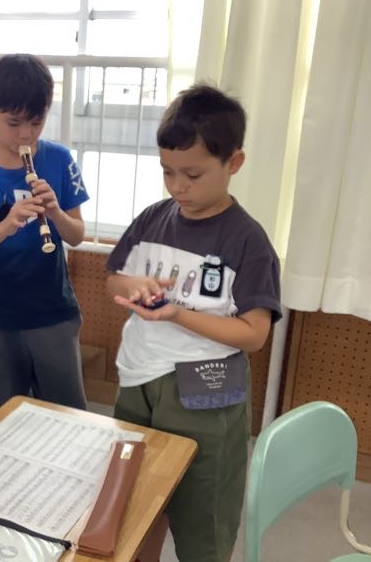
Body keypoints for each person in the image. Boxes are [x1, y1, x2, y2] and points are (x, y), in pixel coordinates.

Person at [105, 84, 281, 562]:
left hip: (204, 390)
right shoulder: (153, 218)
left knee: (203, 509)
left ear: (233, 163)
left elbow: (254, 334)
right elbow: (112, 280)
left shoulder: (247, 240)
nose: (178, 186)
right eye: (167, 171)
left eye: (193, 174)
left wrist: (180, 314)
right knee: (132, 499)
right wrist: (132, 285)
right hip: (138, 379)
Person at [0, 53, 89, 408]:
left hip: (52, 310)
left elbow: (76, 235)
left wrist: (55, 211)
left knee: (66, 412)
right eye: (13, 123)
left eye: (36, 121)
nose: (26, 134)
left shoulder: (60, 159)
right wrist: (7, 226)